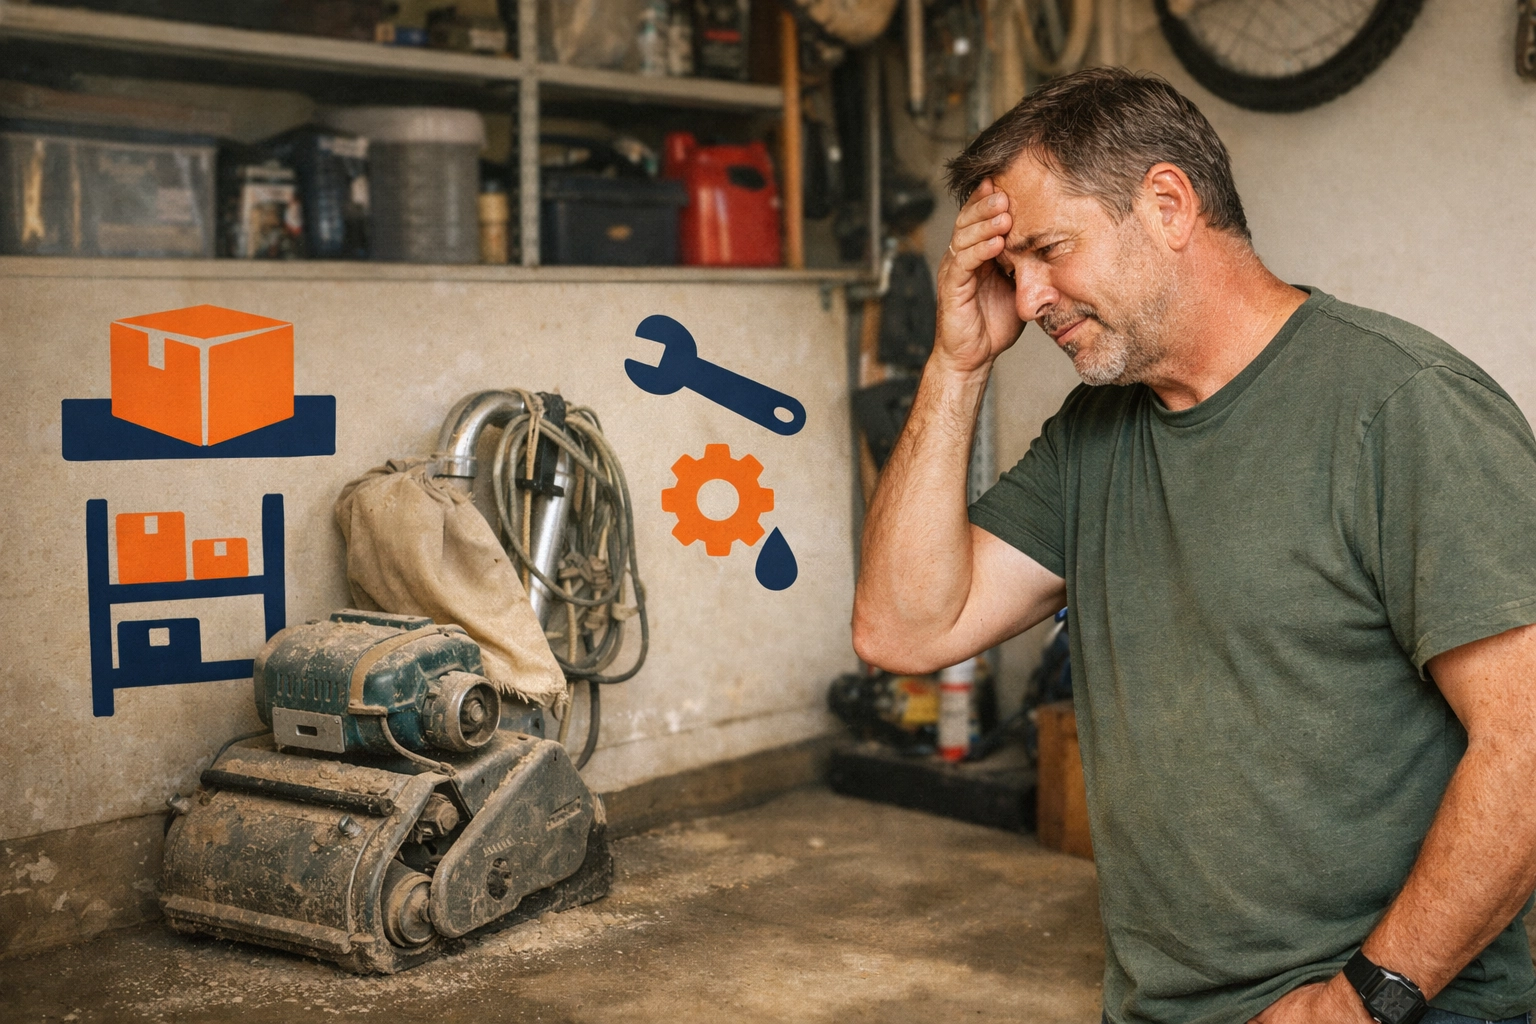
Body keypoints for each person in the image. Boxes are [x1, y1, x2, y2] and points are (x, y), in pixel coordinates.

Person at [850, 67, 1536, 1024]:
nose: (1032, 296)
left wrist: (1362, 999)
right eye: (1013, 271)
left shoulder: (1402, 405)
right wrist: (956, 363)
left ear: (1168, 204)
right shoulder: (1094, 440)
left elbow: (1527, 740)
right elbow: (903, 631)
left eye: (1049, 249)